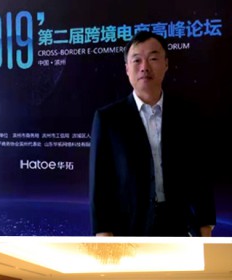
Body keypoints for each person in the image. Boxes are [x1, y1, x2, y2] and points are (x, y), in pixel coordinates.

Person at [89, 30, 215, 236]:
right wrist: (103, 231)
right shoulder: (108, 119)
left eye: (153, 58)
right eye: (136, 60)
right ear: (127, 68)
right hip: (128, 228)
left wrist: (205, 224)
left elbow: (200, 174)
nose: (144, 67)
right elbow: (100, 182)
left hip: (178, 226)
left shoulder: (187, 114)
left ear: (166, 64)